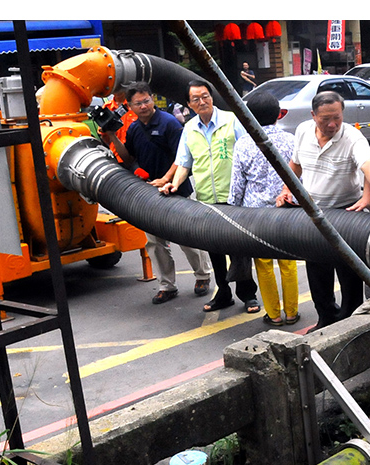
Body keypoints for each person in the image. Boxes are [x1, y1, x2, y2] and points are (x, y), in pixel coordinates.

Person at [275, 90, 370, 331]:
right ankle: (326, 317)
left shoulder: (352, 137)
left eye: (337, 118)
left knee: (349, 270)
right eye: (325, 119)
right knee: (317, 269)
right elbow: (295, 165)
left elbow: (367, 163)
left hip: (346, 211)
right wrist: (286, 189)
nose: (332, 124)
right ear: (313, 116)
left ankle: (350, 320)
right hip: (312, 211)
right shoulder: (302, 131)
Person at [103, 82, 212, 305]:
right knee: (155, 241)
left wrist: (166, 179)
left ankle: (202, 276)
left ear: (152, 99)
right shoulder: (134, 128)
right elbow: (129, 158)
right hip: (149, 192)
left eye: (146, 101)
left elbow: (183, 158)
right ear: (130, 106)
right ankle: (166, 285)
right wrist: (112, 137)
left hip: (176, 189)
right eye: (138, 103)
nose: (143, 106)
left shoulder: (169, 123)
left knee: (186, 237)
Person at [162, 81, 261, 315]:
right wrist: (174, 184)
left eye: (205, 96)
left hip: (234, 197)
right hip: (207, 198)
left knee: (239, 248)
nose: (201, 102)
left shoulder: (231, 120)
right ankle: (223, 293)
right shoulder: (189, 128)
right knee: (214, 250)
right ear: (188, 104)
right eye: (195, 99)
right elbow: (184, 162)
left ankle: (248, 294)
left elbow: (249, 151)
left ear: (211, 97)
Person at [229, 91, 300, 327]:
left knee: (264, 264)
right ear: (278, 114)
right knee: (288, 263)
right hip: (286, 210)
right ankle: (292, 313)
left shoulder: (244, 144)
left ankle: (274, 314)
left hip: (256, 214)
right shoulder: (291, 141)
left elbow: (237, 184)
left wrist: (234, 211)